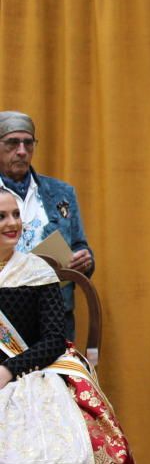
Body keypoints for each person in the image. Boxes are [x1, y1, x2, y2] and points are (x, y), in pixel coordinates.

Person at [0, 188, 143, 464]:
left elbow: (52, 339)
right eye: (2, 216)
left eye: (16, 214)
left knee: (73, 448)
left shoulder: (37, 272)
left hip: (36, 372)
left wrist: (10, 369)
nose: (12, 223)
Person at [0, 111, 95, 341]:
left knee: (53, 376)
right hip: (4, 317)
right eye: (12, 143)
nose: (22, 151)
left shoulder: (61, 193)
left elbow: (79, 244)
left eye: (28, 143)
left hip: (53, 317)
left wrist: (85, 259)